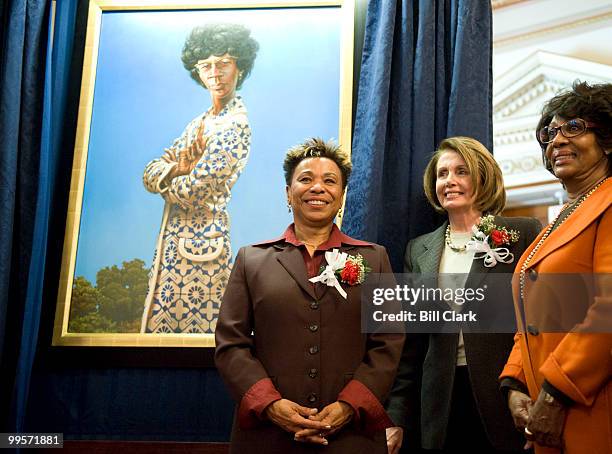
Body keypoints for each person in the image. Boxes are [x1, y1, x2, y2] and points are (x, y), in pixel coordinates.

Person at [215, 138, 405, 453]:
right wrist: (270, 404)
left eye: (329, 181)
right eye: (306, 179)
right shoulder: (251, 259)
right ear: (288, 193)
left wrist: (349, 404)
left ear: (341, 196)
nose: (317, 187)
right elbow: (231, 343)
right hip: (267, 437)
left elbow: (389, 342)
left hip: (352, 437)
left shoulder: (374, 259)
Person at [385, 137, 542, 453]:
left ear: (482, 177)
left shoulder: (522, 233)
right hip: (440, 403)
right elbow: (413, 342)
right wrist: (397, 415)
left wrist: (530, 388)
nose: (449, 181)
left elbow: (539, 324)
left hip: (504, 394)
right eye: (442, 174)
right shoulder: (419, 249)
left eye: (461, 171)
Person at [500, 81, 612, 454]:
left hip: (591, 407)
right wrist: (515, 384)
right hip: (547, 410)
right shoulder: (558, 224)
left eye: (574, 127)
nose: (557, 140)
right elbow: (531, 316)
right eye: (551, 132)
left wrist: (556, 391)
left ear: (607, 140)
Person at [140, 24, 259, 333]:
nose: (214, 73)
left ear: (240, 68)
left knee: (203, 341)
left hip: (203, 251)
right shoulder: (199, 123)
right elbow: (149, 172)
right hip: (172, 250)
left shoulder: (235, 125)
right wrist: (179, 169)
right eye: (206, 65)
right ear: (197, 71)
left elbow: (195, 192)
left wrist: (173, 177)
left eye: (223, 63)